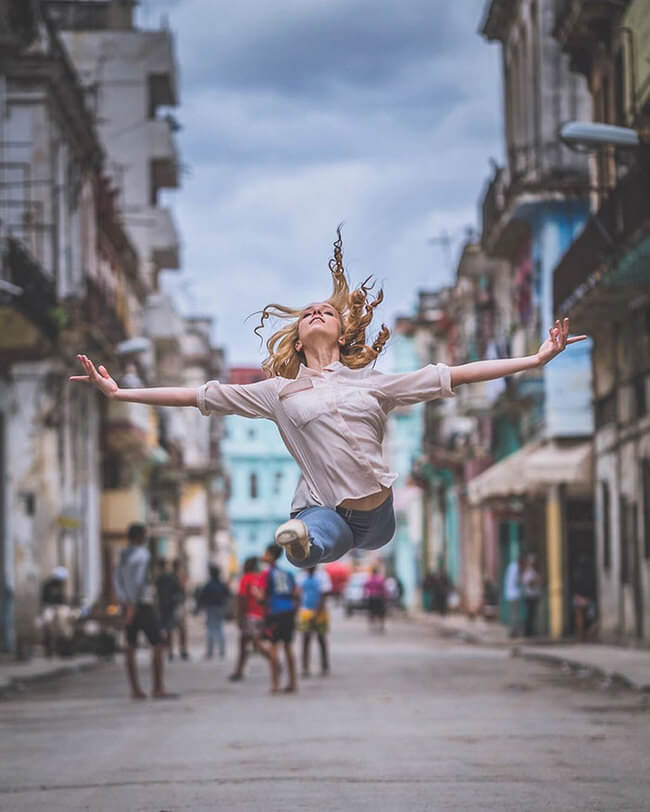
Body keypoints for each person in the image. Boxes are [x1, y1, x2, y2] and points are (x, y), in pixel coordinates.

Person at [71, 230, 587, 568]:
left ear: (341, 334)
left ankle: (306, 540)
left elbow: (456, 373)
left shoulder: (375, 384)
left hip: (377, 515)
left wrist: (534, 360)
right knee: (311, 533)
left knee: (355, 532)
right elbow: (196, 396)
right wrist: (121, 392)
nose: (318, 311)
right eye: (309, 312)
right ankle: (300, 544)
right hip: (326, 509)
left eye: (328, 311)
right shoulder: (277, 393)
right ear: (297, 339)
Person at [114, 523, 174, 700]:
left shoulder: (122, 555)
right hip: (142, 604)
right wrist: (133, 604)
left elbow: (117, 581)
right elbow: (139, 581)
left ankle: (135, 690)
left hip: (128, 603)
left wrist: (125, 602)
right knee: (157, 644)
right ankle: (157, 688)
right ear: (141, 537)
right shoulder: (143, 554)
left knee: (130, 646)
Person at [260, 543, 299, 694]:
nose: (263, 556)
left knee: (274, 647)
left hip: (275, 612)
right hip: (288, 611)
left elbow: (262, 597)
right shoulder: (288, 573)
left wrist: (259, 598)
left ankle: (275, 684)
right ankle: (293, 683)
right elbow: (296, 594)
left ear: (271, 556)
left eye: (265, 553)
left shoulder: (266, 574)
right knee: (288, 647)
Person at [229, 556, 270, 682]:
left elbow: (242, 599)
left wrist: (239, 617)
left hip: (250, 616)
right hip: (260, 615)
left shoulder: (245, 579)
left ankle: (275, 661)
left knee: (255, 643)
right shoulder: (259, 578)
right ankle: (239, 670)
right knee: (244, 643)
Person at [297, 566, 331, 677]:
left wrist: (317, 613)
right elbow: (298, 594)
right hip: (305, 611)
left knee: (321, 638)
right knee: (306, 638)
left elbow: (324, 595)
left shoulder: (322, 575)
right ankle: (305, 666)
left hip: (320, 612)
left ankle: (325, 665)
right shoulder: (301, 575)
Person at [195, 565, 231, 659]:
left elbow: (202, 597)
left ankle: (210, 651)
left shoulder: (208, 585)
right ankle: (222, 650)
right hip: (220, 607)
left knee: (211, 629)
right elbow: (228, 594)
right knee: (219, 629)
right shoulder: (221, 584)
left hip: (211, 608)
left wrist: (198, 608)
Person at [155, 559, 183, 661]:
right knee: (176, 628)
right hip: (171, 606)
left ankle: (171, 650)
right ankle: (180, 650)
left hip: (165, 606)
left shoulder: (159, 578)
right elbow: (179, 591)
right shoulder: (172, 578)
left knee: (168, 629)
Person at [169, 558, 189, 661]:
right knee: (181, 628)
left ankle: (171, 650)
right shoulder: (179, 577)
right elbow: (183, 590)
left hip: (171, 605)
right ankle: (183, 650)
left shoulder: (170, 576)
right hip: (178, 605)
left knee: (171, 629)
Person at [504, 554, 525, 638]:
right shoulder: (516, 568)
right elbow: (517, 580)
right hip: (514, 595)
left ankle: (513, 632)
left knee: (513, 615)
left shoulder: (511, 567)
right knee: (514, 615)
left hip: (510, 594)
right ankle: (513, 632)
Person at [521, 554, 542, 637]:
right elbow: (529, 584)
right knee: (529, 615)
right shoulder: (527, 573)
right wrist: (536, 580)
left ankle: (532, 631)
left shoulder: (534, 572)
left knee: (533, 615)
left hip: (535, 596)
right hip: (530, 596)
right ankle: (528, 632)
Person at [364, 566, 388, 633]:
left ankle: (372, 626)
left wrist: (366, 595)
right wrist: (386, 597)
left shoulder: (369, 579)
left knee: (372, 612)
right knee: (381, 613)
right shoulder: (380, 579)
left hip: (371, 597)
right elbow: (383, 588)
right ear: (377, 572)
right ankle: (381, 626)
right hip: (379, 597)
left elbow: (365, 586)